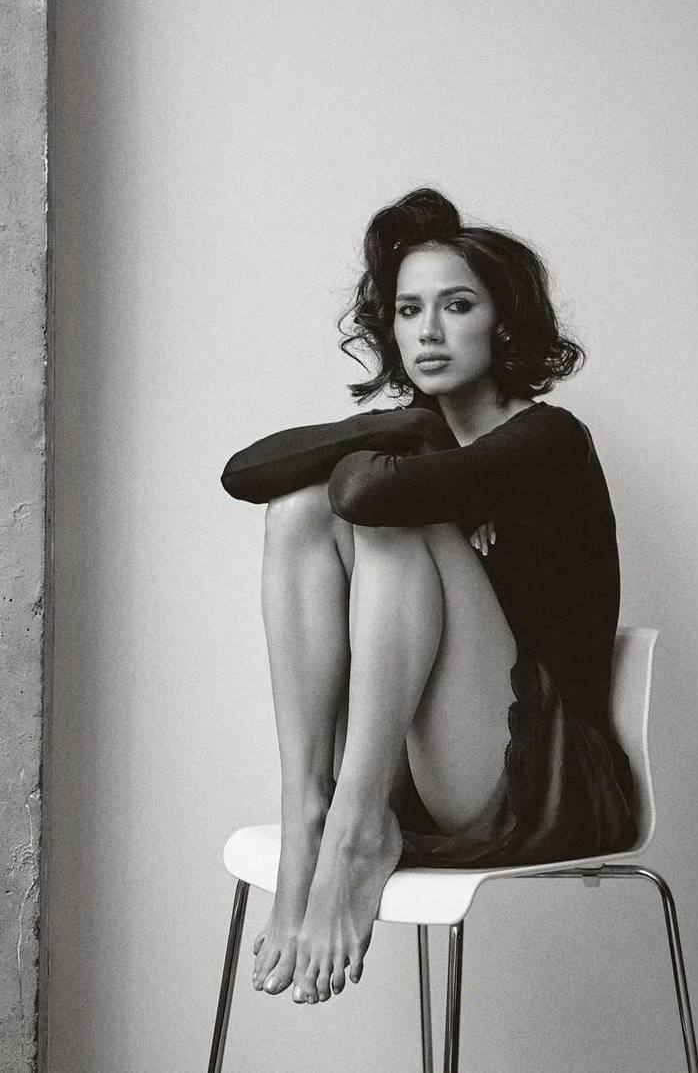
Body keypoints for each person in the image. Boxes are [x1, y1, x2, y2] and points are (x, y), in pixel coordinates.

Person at [220, 187, 636, 1007]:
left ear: (504, 323)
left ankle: (354, 829)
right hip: (429, 770)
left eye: (457, 305)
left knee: (384, 519)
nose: (429, 331)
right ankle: (310, 815)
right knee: (299, 508)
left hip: (546, 781)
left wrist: (407, 450)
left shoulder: (547, 439)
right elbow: (246, 474)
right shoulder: (420, 440)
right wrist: (407, 429)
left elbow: (368, 496)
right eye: (409, 311)